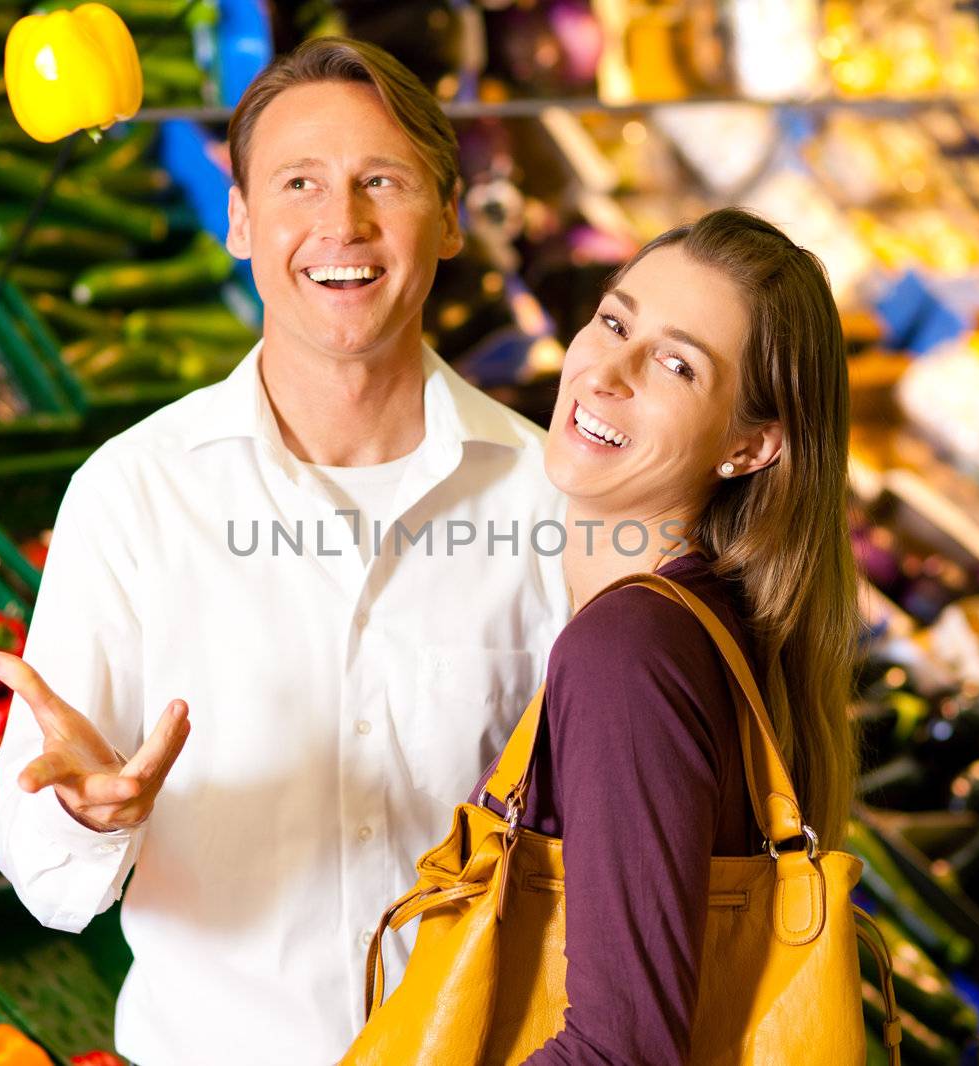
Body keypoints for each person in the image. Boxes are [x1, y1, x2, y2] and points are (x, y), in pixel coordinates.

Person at [0, 38, 571, 1066]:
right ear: (241, 222)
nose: (339, 223)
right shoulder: (135, 494)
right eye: (299, 183)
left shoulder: (547, 497)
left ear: (446, 221)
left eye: (380, 182)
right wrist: (86, 814)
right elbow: (43, 876)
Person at [354, 208, 860, 1062]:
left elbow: (618, 1052)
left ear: (750, 446)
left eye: (676, 364)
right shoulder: (706, 621)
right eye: (615, 321)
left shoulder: (628, 653)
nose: (608, 371)